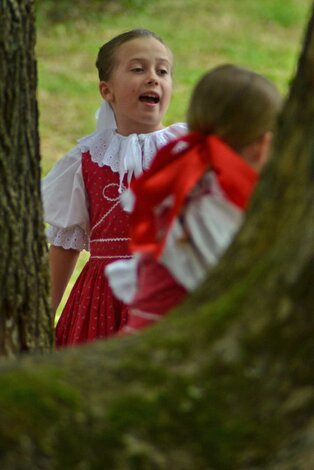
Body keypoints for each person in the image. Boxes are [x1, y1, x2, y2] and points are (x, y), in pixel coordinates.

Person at [105, 64, 282, 334]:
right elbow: (230, 286)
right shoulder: (211, 201)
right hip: (169, 346)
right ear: (263, 146)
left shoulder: (183, 180)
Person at [42, 28, 187, 347]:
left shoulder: (187, 150)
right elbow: (65, 245)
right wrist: (41, 320)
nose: (153, 78)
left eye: (162, 71)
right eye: (138, 69)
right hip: (101, 303)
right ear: (107, 90)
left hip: (170, 292)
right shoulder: (86, 159)